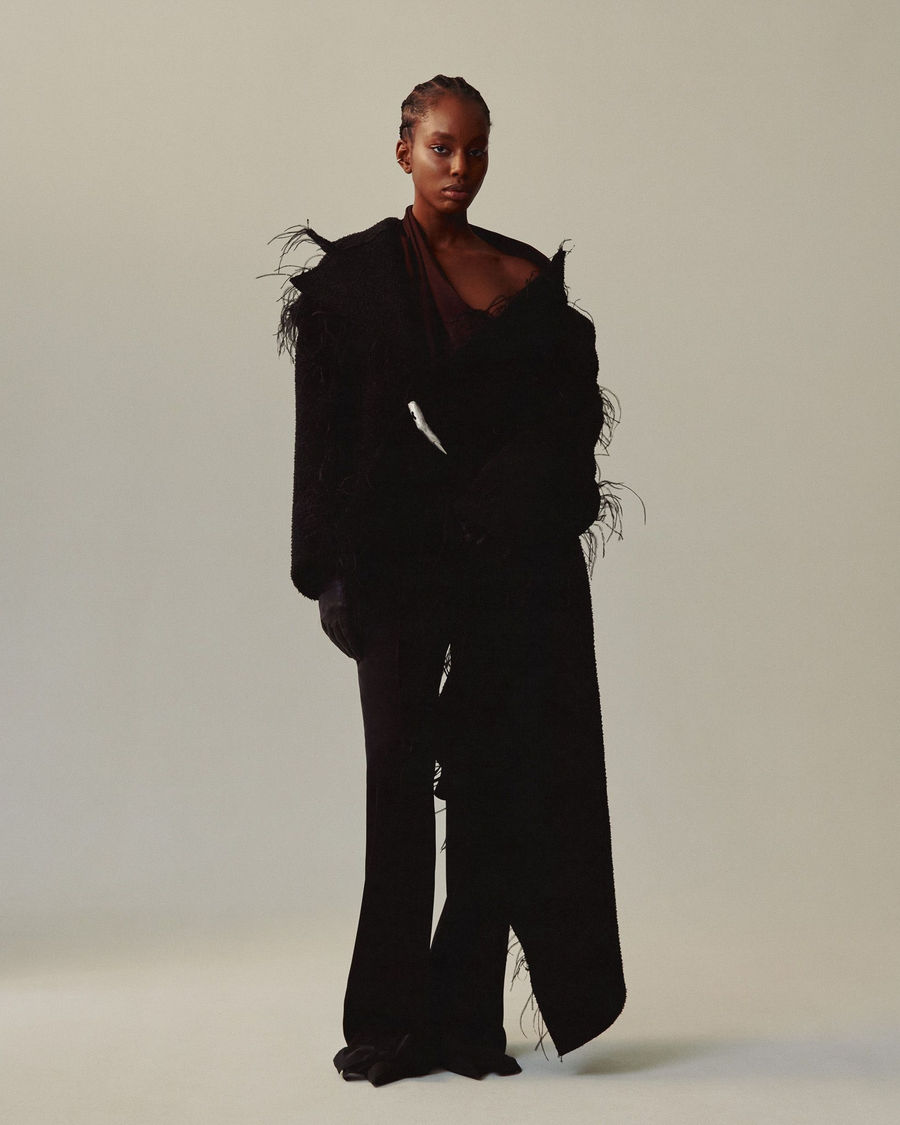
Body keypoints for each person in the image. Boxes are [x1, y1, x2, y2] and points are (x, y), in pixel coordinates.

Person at [274, 75, 627, 1086]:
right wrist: (327, 574)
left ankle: (467, 1020)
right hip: (391, 565)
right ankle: (387, 1024)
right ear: (404, 152)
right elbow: (324, 436)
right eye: (440, 147)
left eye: (474, 149)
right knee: (395, 779)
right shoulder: (354, 281)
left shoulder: (522, 278)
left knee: (490, 780)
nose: (459, 167)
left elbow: (567, 433)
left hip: (504, 565)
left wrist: (516, 503)